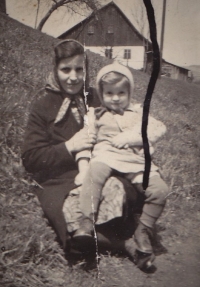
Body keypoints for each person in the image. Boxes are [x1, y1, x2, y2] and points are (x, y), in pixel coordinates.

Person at [21, 40, 141, 263]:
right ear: (55, 70)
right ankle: (122, 242)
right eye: (66, 69)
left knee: (122, 190)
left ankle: (114, 228)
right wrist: (71, 146)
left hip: (101, 172)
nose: (73, 77)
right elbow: (31, 158)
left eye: (79, 69)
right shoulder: (43, 106)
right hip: (61, 181)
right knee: (72, 221)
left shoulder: (98, 96)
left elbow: (125, 122)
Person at [73, 63, 169, 260]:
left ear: (129, 92)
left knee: (159, 190)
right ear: (101, 93)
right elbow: (85, 139)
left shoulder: (137, 113)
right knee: (95, 173)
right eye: (109, 93)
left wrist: (132, 137)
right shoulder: (96, 114)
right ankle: (86, 221)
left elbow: (159, 129)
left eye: (121, 93)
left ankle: (143, 229)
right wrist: (82, 164)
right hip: (106, 155)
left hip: (135, 161)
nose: (115, 98)